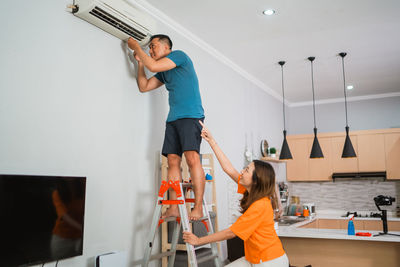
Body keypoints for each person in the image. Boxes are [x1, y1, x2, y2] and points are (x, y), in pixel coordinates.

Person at [183, 121, 289, 267]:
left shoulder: (260, 205)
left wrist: (198, 241)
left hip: (270, 261)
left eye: (246, 170)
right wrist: (212, 141)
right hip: (254, 258)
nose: (242, 171)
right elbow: (229, 169)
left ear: (256, 181)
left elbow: (230, 233)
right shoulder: (251, 190)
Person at [127, 35, 205, 220]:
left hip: (191, 115)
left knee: (192, 159)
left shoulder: (179, 56)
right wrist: (139, 63)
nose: (151, 51)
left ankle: (199, 206)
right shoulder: (164, 72)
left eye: (153, 47)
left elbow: (153, 65)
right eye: (150, 48)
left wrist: (136, 46)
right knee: (172, 161)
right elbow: (144, 86)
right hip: (173, 119)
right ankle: (174, 208)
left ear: (166, 47)